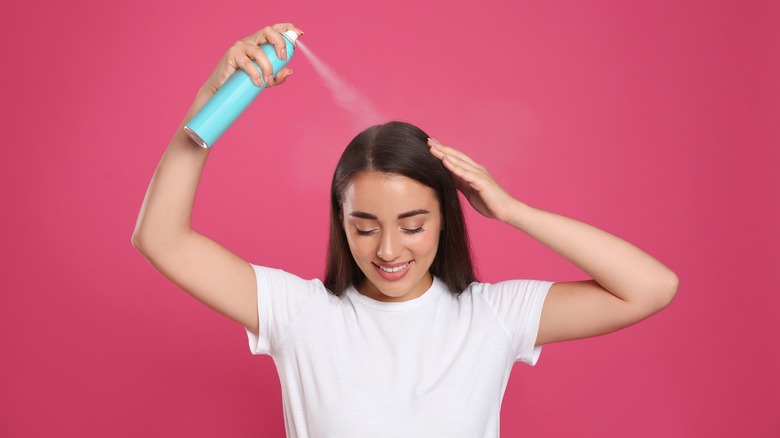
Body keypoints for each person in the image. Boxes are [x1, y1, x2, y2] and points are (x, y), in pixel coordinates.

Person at [132, 23, 678, 437]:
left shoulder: (493, 317)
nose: (389, 250)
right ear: (341, 222)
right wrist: (212, 100)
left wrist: (512, 211)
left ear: (446, 217)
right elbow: (160, 238)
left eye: (413, 225)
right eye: (364, 227)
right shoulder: (300, 314)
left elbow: (650, 287)